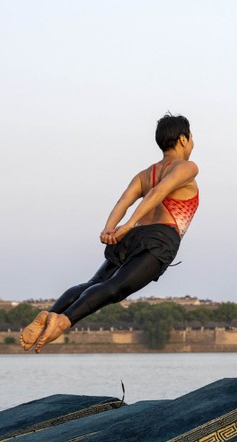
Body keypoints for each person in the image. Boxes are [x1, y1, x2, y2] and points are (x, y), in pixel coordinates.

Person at [19, 114, 199, 353]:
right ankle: (62, 322)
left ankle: (52, 314)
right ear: (183, 139)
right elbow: (158, 192)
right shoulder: (187, 167)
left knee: (93, 284)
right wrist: (126, 225)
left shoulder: (145, 174)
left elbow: (123, 201)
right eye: (192, 137)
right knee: (116, 288)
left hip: (133, 237)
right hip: (160, 239)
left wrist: (110, 227)